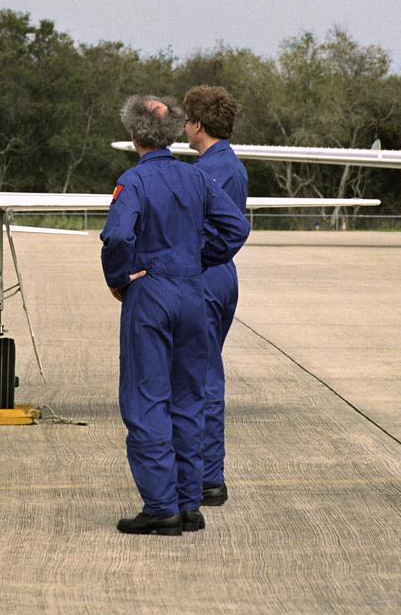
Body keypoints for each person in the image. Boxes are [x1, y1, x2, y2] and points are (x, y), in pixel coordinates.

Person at [101, 95, 249, 535]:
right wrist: (202, 259)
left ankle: (160, 505)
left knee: (147, 399)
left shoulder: (134, 182)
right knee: (188, 398)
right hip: (192, 291)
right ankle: (189, 502)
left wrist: (121, 278)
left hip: (153, 293)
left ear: (134, 136)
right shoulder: (196, 178)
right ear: (171, 134)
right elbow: (236, 227)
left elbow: (117, 237)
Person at [181, 85, 248, 507]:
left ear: (198, 125)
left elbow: (210, 229)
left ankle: (208, 477)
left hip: (206, 274)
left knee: (201, 377)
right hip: (219, 274)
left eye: (187, 120)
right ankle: (202, 472)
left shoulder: (211, 170)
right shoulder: (224, 164)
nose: (184, 127)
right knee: (201, 373)